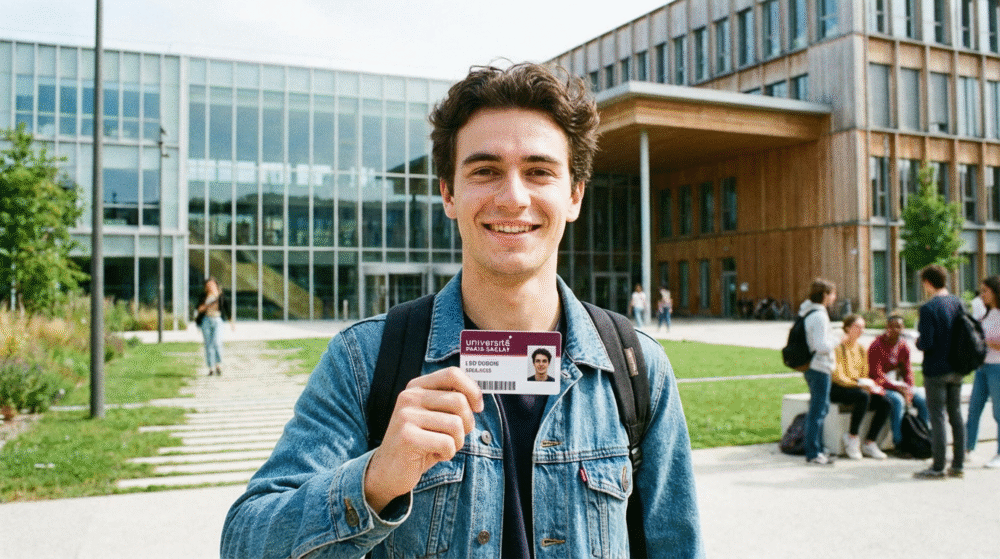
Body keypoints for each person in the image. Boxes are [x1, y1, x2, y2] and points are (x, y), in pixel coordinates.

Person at [221, 63, 704, 559]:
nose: (513, 197)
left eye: (539, 171)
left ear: (574, 194)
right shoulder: (365, 361)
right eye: (485, 171)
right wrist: (376, 480)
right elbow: (245, 542)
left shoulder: (635, 370)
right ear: (448, 193)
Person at [914, 264, 967, 479]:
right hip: (957, 367)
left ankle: (937, 466)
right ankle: (958, 464)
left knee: (937, 416)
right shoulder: (958, 303)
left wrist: (917, 342)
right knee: (955, 414)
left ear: (927, 282)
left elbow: (926, 342)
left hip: (936, 369)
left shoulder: (928, 309)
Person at [965, 275, 1000, 469]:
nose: (982, 295)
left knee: (999, 411)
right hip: (982, 367)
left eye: (985, 291)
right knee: (974, 409)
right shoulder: (985, 314)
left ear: (995, 292)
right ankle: (968, 448)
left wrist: (987, 342)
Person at [830, 314, 890, 459]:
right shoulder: (838, 348)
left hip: (857, 386)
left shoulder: (862, 349)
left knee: (886, 401)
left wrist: (868, 385)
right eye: (857, 327)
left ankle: (870, 442)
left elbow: (864, 373)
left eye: (863, 327)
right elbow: (837, 376)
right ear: (847, 328)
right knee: (862, 396)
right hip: (837, 388)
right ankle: (852, 437)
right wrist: (858, 385)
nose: (861, 330)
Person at [867, 314, 929, 448]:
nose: (896, 329)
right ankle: (899, 442)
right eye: (893, 326)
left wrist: (909, 388)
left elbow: (908, 371)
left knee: (923, 400)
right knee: (897, 401)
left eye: (899, 326)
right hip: (881, 386)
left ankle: (924, 436)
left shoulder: (903, 346)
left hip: (898, 385)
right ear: (887, 327)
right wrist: (898, 389)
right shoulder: (877, 345)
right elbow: (876, 376)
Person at [798, 278, 841, 465]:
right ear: (824, 295)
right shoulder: (819, 316)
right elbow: (821, 345)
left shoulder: (809, 312)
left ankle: (818, 449)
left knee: (819, 408)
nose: (834, 297)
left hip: (812, 366)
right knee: (818, 410)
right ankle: (814, 452)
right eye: (832, 293)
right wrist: (839, 338)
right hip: (819, 366)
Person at [195, 276, 228, 376]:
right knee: (208, 345)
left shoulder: (220, 296)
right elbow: (199, 309)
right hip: (206, 320)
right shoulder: (203, 296)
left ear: (216, 285)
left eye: (212, 284)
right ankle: (211, 368)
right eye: (208, 285)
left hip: (217, 320)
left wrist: (231, 322)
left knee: (217, 342)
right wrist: (207, 305)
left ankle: (218, 365)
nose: (210, 286)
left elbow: (226, 308)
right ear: (206, 286)